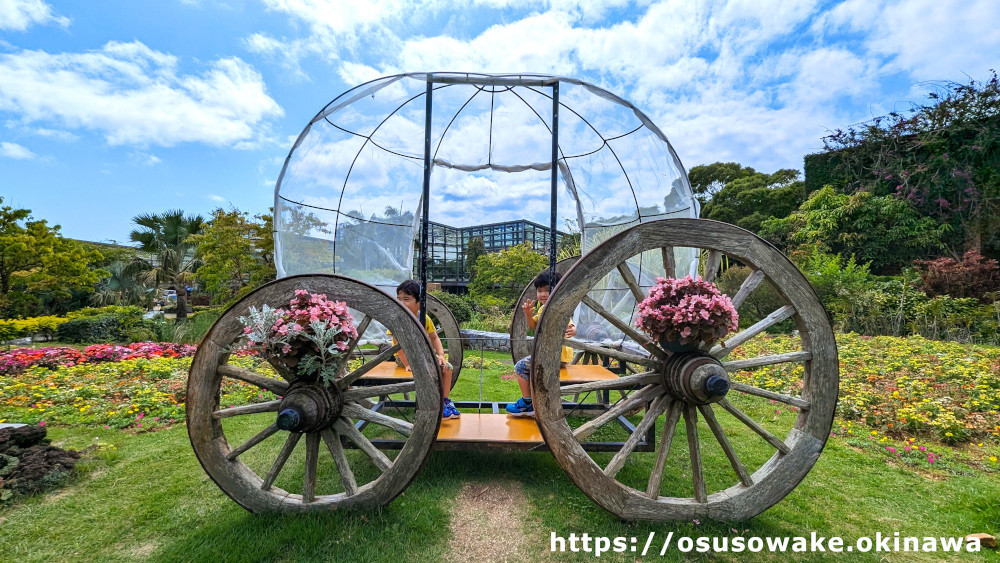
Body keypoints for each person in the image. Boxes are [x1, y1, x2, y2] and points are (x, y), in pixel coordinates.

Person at [506, 270, 576, 417]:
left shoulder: (557, 307)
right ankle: (532, 401)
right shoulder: (544, 308)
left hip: (556, 355)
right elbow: (532, 326)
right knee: (529, 368)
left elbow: (568, 324)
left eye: (547, 290)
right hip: (556, 355)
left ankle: (527, 403)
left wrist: (573, 329)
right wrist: (528, 314)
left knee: (520, 367)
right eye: (539, 291)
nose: (543, 294)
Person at [392, 280, 459, 419]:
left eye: (406, 299)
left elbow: (434, 338)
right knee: (430, 369)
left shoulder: (424, 318)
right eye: (399, 299)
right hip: (404, 357)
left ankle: (444, 401)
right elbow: (397, 346)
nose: (401, 302)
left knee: (447, 367)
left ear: (418, 302)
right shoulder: (397, 319)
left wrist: (441, 355)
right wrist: (407, 364)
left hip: (422, 355)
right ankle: (433, 404)